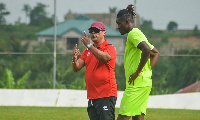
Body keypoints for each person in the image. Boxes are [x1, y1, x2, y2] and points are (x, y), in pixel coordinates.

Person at [116, 5, 160, 120]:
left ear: (126, 22)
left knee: (123, 117)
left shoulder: (133, 34)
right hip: (144, 83)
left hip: (136, 85)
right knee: (138, 117)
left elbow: (146, 49)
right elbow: (155, 53)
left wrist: (137, 73)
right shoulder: (138, 33)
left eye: (119, 23)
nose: (118, 27)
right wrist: (145, 72)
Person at [71, 22, 117, 120]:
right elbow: (76, 67)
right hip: (92, 96)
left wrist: (89, 45)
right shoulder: (87, 51)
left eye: (96, 31)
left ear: (104, 32)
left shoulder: (109, 47)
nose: (93, 33)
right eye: (91, 31)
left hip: (106, 95)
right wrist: (74, 59)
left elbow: (105, 58)